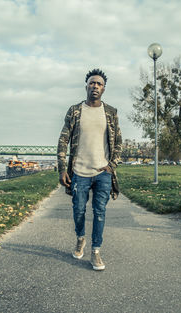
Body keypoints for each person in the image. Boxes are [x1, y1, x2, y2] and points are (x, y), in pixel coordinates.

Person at [57, 69, 122, 270]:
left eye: (99, 84)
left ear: (104, 88)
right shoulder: (75, 110)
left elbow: (119, 141)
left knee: (99, 212)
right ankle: (80, 238)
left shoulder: (111, 112)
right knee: (78, 210)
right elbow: (63, 139)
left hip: (102, 172)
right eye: (92, 83)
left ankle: (96, 251)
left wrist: (112, 166)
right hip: (79, 171)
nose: (95, 86)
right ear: (86, 86)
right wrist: (62, 168)